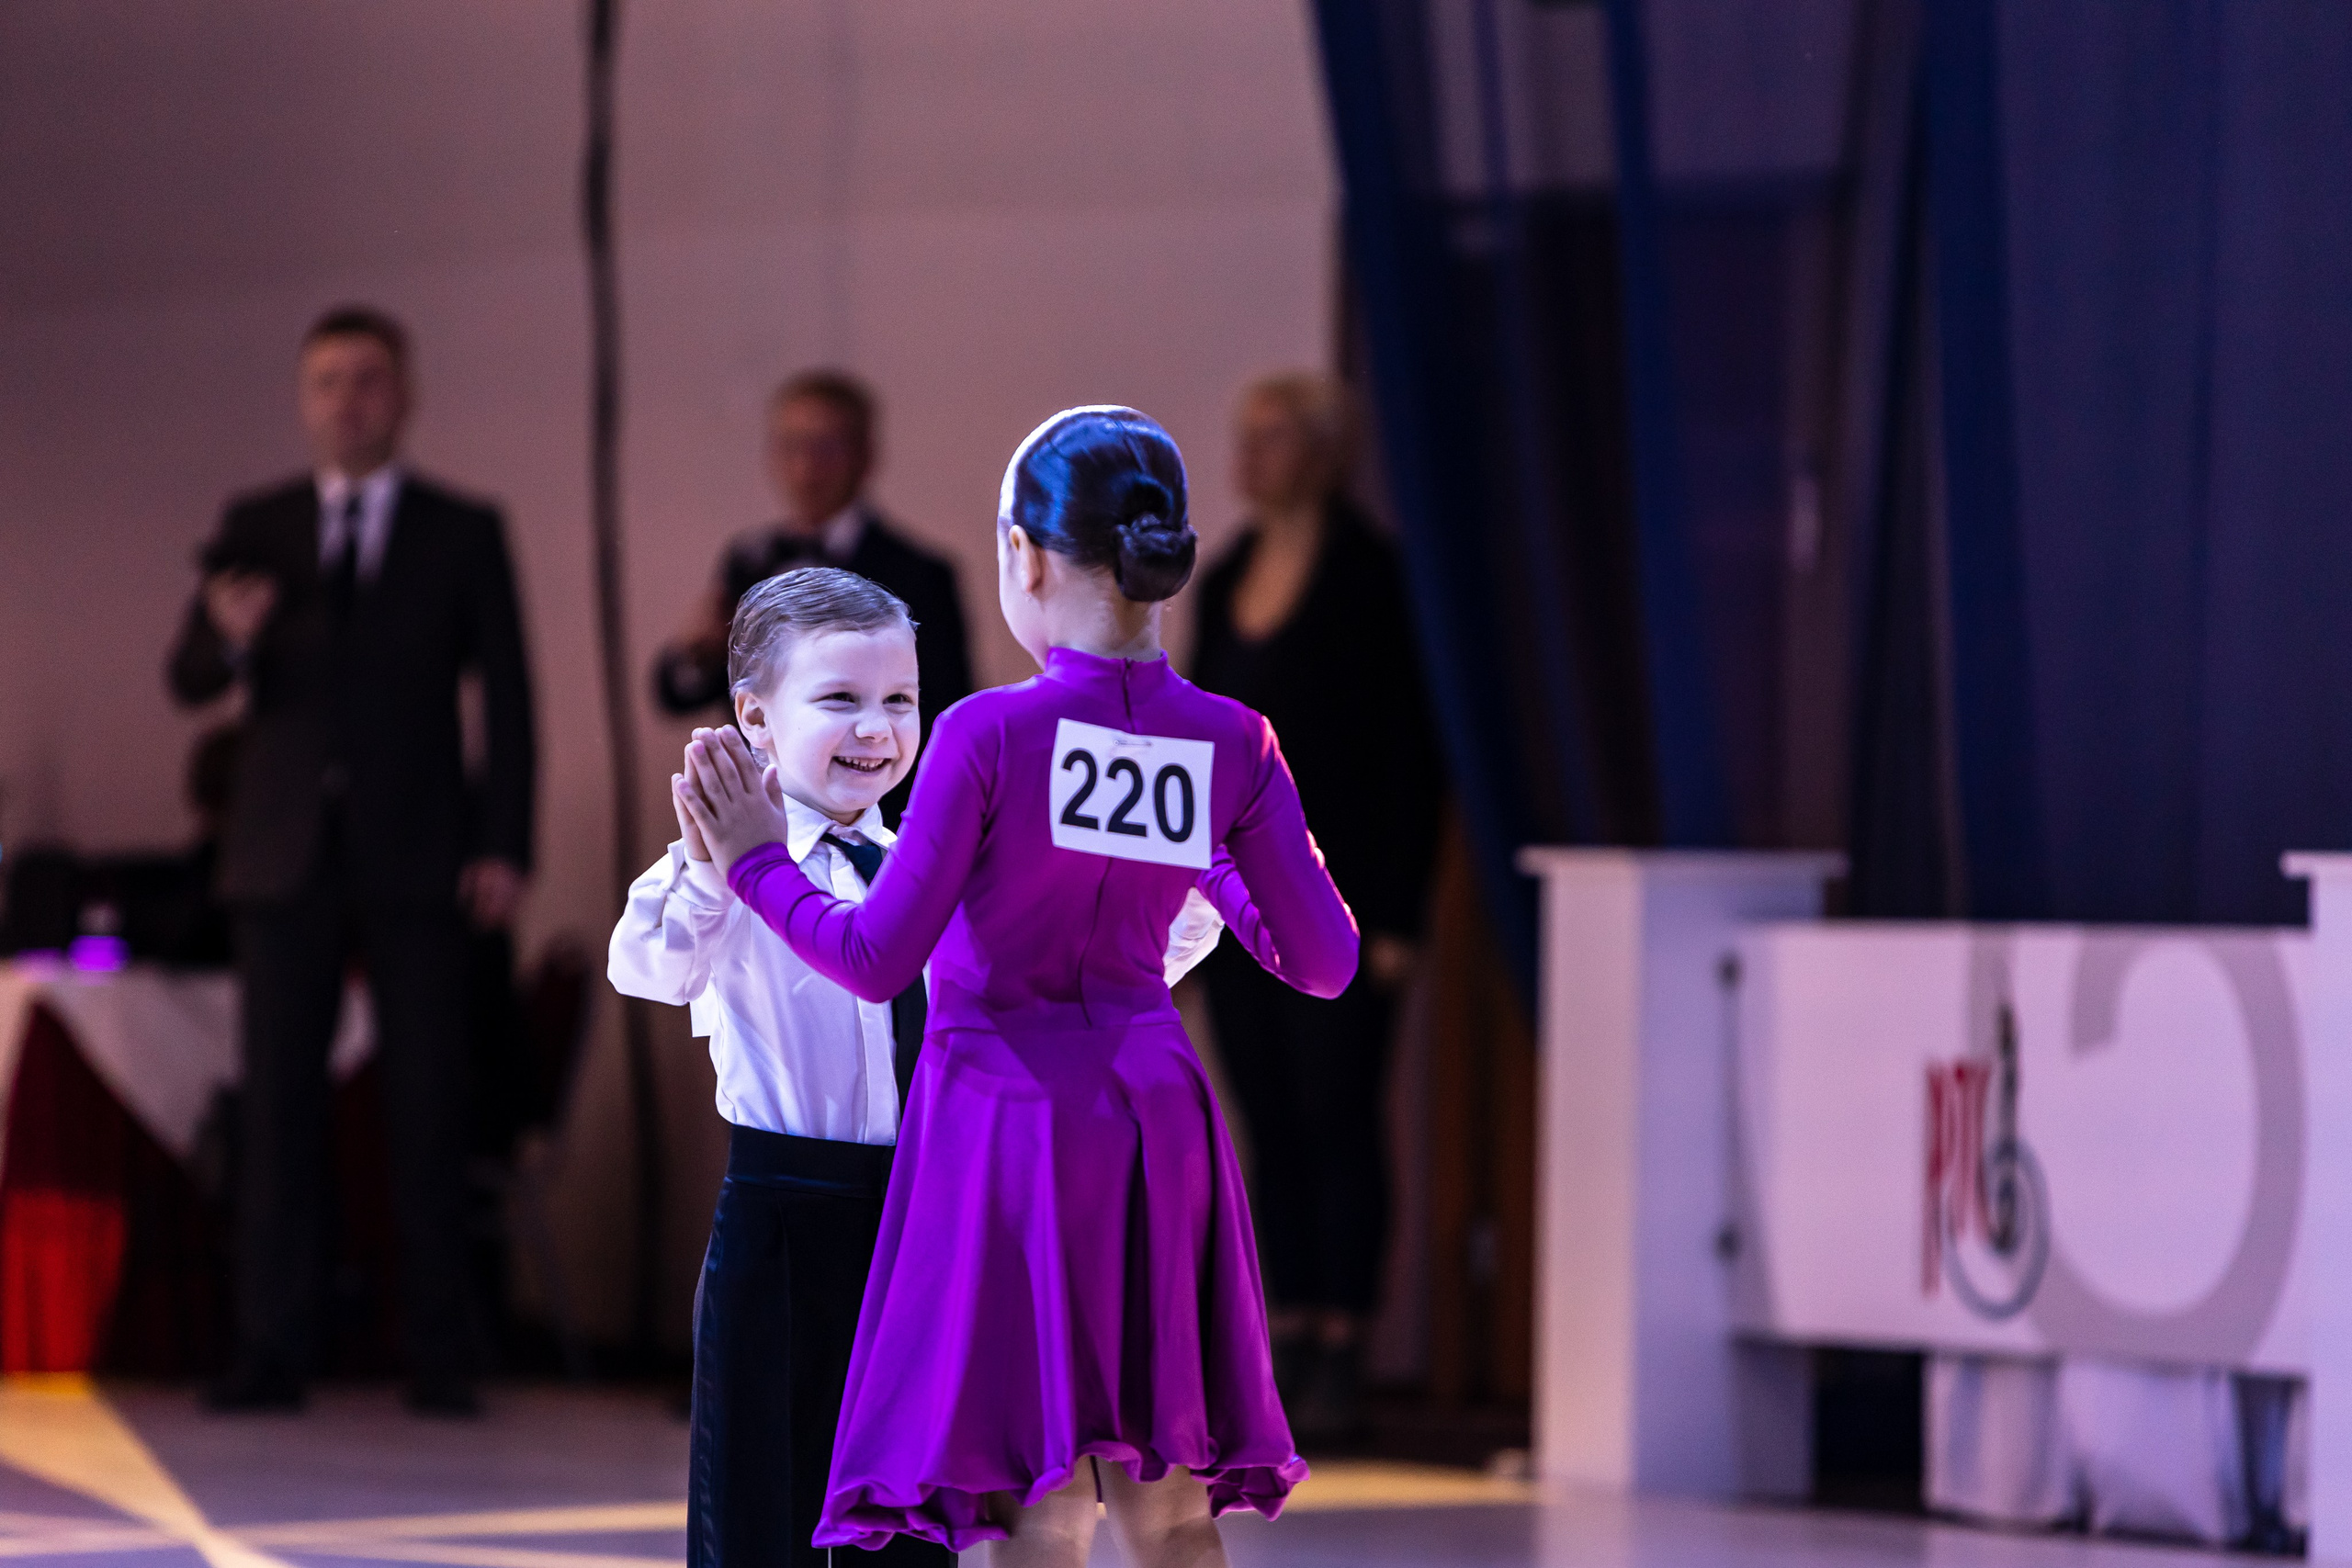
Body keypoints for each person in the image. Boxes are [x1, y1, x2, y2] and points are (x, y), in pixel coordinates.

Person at [677, 408, 1358, 1568]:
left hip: (1007, 1126)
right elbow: (1324, 960)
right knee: (1171, 1497)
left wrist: (751, 863)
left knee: (1039, 1502)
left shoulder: (986, 735)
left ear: (1025, 555)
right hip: (1158, 1122)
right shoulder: (1233, 739)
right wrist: (1213, 864)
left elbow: (874, 958)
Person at [614, 567, 1224, 1568]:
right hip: (786, 1214)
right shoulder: (736, 860)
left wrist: (1185, 900)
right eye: (840, 699)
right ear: (754, 718)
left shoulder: (941, 862)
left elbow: (1066, 970)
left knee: (911, 1515)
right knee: (768, 1496)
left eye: (900, 699)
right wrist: (711, 864)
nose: (877, 726)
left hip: (933, 1217)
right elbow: (645, 968)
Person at [167, 305, 536, 1416]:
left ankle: (438, 1348)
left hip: (419, 847)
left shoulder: (461, 529)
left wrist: (504, 842)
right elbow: (188, 680)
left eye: (369, 379)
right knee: (277, 1107)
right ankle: (271, 1346)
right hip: (280, 853)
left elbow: (509, 700)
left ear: (405, 393)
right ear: (303, 397)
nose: (349, 400)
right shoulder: (258, 521)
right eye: (328, 381)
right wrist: (226, 633)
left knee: (428, 1100)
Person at [1189, 372, 1442, 1438]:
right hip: (1232, 896)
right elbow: (1193, 739)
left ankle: (1343, 1336)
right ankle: (1284, 1326)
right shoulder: (1229, 571)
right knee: (1267, 1118)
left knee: (1339, 1115)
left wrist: (1392, 918)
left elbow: (1409, 758)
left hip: (1337, 899)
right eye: (1246, 435)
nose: (1254, 454)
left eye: (1278, 435)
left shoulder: (1373, 576)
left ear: (1328, 452)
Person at [652, 370, 971, 820]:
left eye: (825, 448)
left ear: (864, 456)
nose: (805, 466)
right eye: (790, 447)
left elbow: (945, 715)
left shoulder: (921, 574)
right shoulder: (749, 561)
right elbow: (680, 693)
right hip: (764, 814)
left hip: (878, 814)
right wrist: (692, 650)